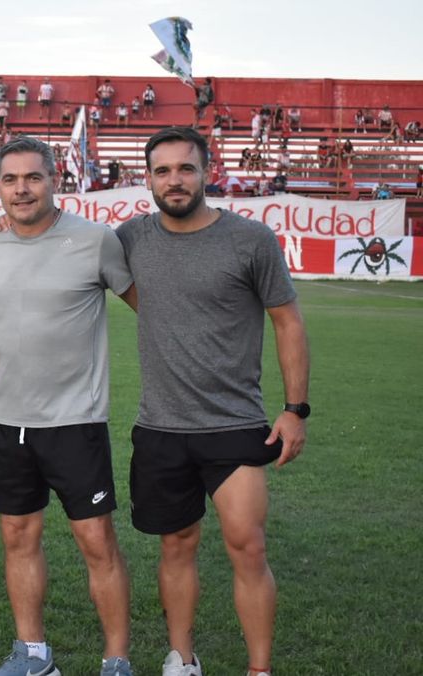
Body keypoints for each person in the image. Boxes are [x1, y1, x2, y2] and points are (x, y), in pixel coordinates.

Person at [116, 127, 310, 676]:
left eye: (185, 168)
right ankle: (182, 658)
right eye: (162, 170)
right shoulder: (130, 238)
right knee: (175, 545)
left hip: (234, 424)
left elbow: (288, 321)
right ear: (147, 177)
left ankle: (259, 669)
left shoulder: (250, 240)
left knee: (247, 547)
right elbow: (65, 244)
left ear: (207, 171)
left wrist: (296, 409)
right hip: (160, 427)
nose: (174, 180)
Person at [0, 136, 137, 676]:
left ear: (54, 181)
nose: (22, 189)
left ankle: (116, 659)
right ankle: (34, 654)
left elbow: (150, 308)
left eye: (33, 177)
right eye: (10, 179)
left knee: (97, 541)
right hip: (6, 421)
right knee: (18, 537)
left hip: (75, 422)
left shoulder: (95, 241)